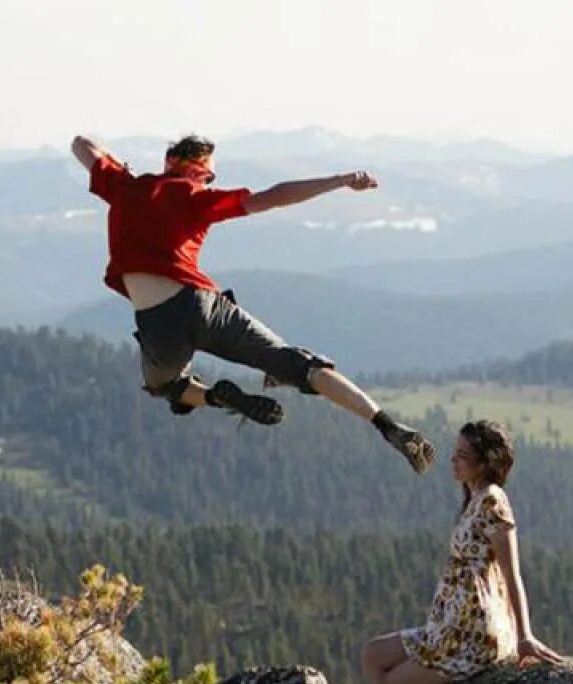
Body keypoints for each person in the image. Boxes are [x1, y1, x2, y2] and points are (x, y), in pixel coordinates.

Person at [69, 133, 436, 474]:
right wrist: (339, 180)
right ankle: (385, 424)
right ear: (199, 171)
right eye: (209, 177)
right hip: (204, 305)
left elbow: (81, 143)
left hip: (158, 319)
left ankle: (218, 397)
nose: (208, 184)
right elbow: (275, 195)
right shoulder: (196, 196)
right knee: (295, 363)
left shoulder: (124, 187)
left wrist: (120, 166)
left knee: (167, 385)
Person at [362, 419, 565, 684]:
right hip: (450, 625)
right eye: (454, 453)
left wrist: (524, 636)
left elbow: (511, 573)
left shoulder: (492, 503)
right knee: (373, 656)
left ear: (486, 462)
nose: (453, 461)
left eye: (463, 456)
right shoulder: (474, 496)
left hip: (470, 633)